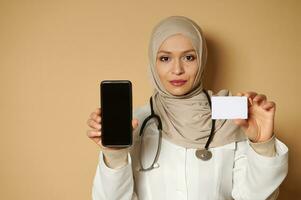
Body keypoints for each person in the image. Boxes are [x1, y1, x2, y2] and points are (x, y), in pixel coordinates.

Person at [86, 16, 288, 200]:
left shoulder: (232, 114)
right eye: (165, 58)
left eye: (189, 57)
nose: (177, 70)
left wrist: (263, 144)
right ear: (153, 63)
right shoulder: (135, 122)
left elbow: (256, 197)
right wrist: (114, 155)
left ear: (202, 59)